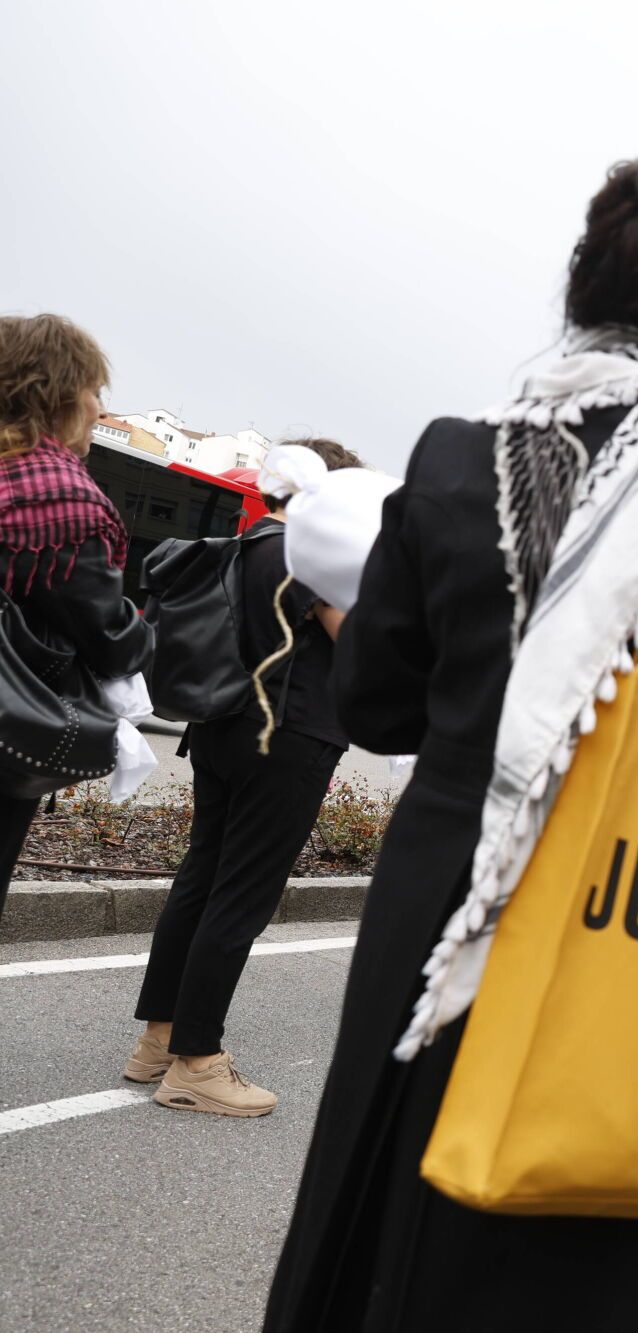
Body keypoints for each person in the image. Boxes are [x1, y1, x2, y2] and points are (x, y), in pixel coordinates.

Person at [264, 150, 638, 1329]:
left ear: (579, 291)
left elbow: (378, 705)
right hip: (624, 924)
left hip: (440, 922)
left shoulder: (458, 457)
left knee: (382, 1227)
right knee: (569, 1267)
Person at [127, 437, 364, 1117]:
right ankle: (198, 1063)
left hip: (221, 730)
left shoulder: (245, 543)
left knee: (201, 879)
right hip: (287, 736)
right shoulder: (312, 555)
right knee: (242, 896)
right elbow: (361, 644)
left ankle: (159, 1039)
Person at [0, 314, 151, 919]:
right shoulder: (56, 498)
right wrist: (144, 627)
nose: (99, 409)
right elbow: (110, 638)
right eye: (92, 391)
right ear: (55, 393)